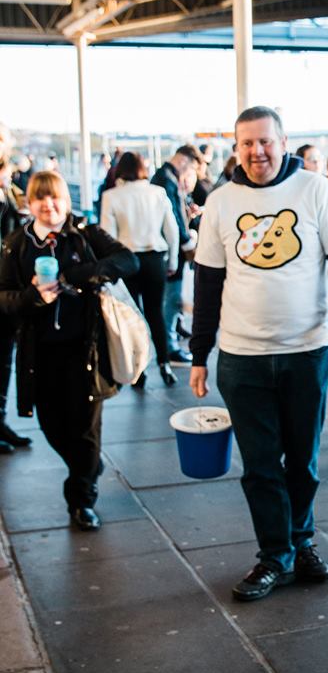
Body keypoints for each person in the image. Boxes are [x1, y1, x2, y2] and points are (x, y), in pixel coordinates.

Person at [189, 105, 328, 602]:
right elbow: (207, 285)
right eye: (246, 143)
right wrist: (199, 354)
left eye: (265, 141)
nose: (256, 151)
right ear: (236, 148)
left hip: (306, 351)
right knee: (261, 466)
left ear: (283, 142)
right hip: (241, 358)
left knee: (303, 462)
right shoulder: (221, 202)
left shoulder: (315, 190)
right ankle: (275, 556)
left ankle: (302, 541)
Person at [0, 171, 138, 529]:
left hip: (86, 351)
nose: (49, 205)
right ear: (29, 204)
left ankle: (81, 500)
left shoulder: (85, 234)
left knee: (86, 429)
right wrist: (33, 297)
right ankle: (87, 467)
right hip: (40, 355)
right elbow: (3, 297)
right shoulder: (17, 244)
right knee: (52, 426)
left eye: (55, 197)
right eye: (40, 199)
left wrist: (77, 277)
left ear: (66, 200)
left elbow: (127, 261)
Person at [100, 152, 180, 388]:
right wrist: (172, 260)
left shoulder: (111, 196)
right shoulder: (157, 193)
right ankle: (165, 364)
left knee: (132, 317)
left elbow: (107, 237)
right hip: (155, 259)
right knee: (156, 313)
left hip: (126, 262)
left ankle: (139, 370)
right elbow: (172, 230)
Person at [151, 144, 200, 364]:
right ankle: (169, 348)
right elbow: (172, 219)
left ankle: (168, 345)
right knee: (171, 299)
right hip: (171, 250)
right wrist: (186, 240)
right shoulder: (166, 180)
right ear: (183, 161)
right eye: (190, 170)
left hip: (168, 250)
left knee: (170, 299)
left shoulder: (164, 177)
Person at [0, 152, 31, 454]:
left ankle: (0, 421)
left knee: (5, 359)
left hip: (8, 285)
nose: (10, 177)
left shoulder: (7, 194)